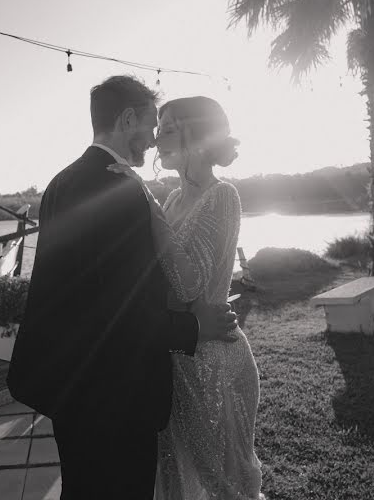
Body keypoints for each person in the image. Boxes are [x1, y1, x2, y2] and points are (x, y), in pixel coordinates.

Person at [7, 76, 239, 500]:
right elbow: (122, 307)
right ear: (128, 118)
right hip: (115, 394)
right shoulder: (119, 188)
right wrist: (190, 328)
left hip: (73, 385)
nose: (152, 139)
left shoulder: (62, 181)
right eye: (152, 124)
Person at [109, 95, 263, 500]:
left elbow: (188, 285)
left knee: (224, 485)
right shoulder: (173, 199)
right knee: (175, 481)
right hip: (173, 358)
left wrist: (142, 200)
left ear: (200, 135)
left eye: (171, 129)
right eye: (159, 129)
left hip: (212, 364)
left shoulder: (222, 196)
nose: (158, 138)